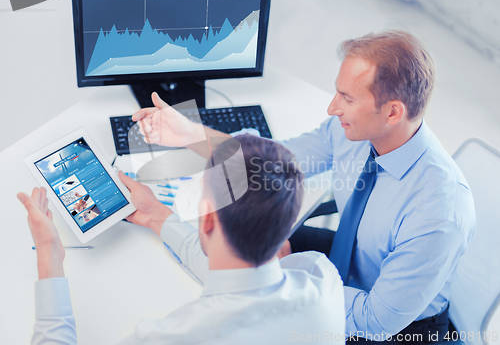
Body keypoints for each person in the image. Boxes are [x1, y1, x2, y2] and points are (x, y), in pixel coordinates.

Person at [133, 30, 475, 343]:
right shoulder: (355, 132)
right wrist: (190, 133)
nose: (332, 107)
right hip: (351, 259)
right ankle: (158, 219)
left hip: (398, 329)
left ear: (392, 112)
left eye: (347, 98)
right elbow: (270, 163)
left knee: (245, 273)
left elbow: (375, 321)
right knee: (241, 247)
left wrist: (277, 281)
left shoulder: (438, 212)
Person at [18, 134, 345, 345]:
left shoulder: (172, 336)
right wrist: (157, 216)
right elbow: (240, 278)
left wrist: (49, 257)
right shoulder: (321, 277)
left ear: (207, 220)